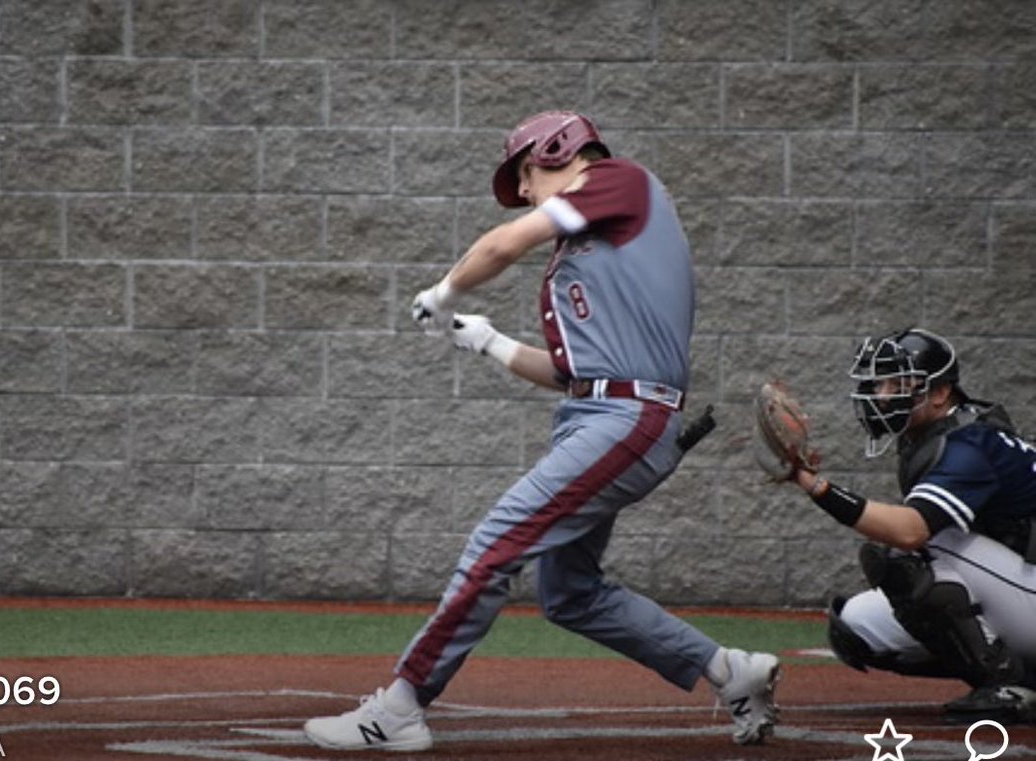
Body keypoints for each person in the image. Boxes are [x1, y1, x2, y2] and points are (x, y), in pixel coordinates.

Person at [302, 111, 781, 752]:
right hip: (603, 415)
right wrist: (486, 341)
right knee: (570, 594)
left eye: (525, 174)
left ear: (558, 150)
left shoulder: (619, 180)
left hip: (627, 419)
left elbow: (502, 246)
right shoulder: (596, 243)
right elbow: (570, 374)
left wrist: (443, 292)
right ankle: (729, 671)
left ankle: (402, 707)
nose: (525, 191)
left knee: (495, 543)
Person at [785, 328, 1036, 724]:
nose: (883, 395)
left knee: (907, 551)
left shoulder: (970, 443)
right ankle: (1024, 672)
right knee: (854, 626)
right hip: (1021, 584)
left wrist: (817, 487)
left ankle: (1007, 683)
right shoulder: (938, 434)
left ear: (940, 393)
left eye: (899, 384)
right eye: (881, 384)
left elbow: (910, 531)